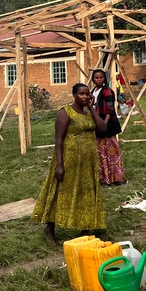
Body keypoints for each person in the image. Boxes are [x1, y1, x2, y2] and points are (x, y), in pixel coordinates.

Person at [32, 82, 107, 243]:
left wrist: (92, 108)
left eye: (87, 94)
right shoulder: (65, 112)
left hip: (88, 162)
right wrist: (59, 164)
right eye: (81, 94)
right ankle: (50, 228)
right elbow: (58, 139)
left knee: (86, 192)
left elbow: (103, 128)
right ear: (74, 95)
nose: (85, 96)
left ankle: (84, 230)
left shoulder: (88, 114)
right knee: (63, 192)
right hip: (69, 160)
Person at [90, 69, 125, 185]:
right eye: (96, 78)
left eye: (101, 77)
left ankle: (116, 177)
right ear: (93, 79)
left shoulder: (107, 91)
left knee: (111, 151)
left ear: (104, 78)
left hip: (107, 124)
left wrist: (104, 124)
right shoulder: (93, 91)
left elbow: (110, 109)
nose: (99, 79)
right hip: (97, 123)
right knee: (101, 151)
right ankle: (104, 177)